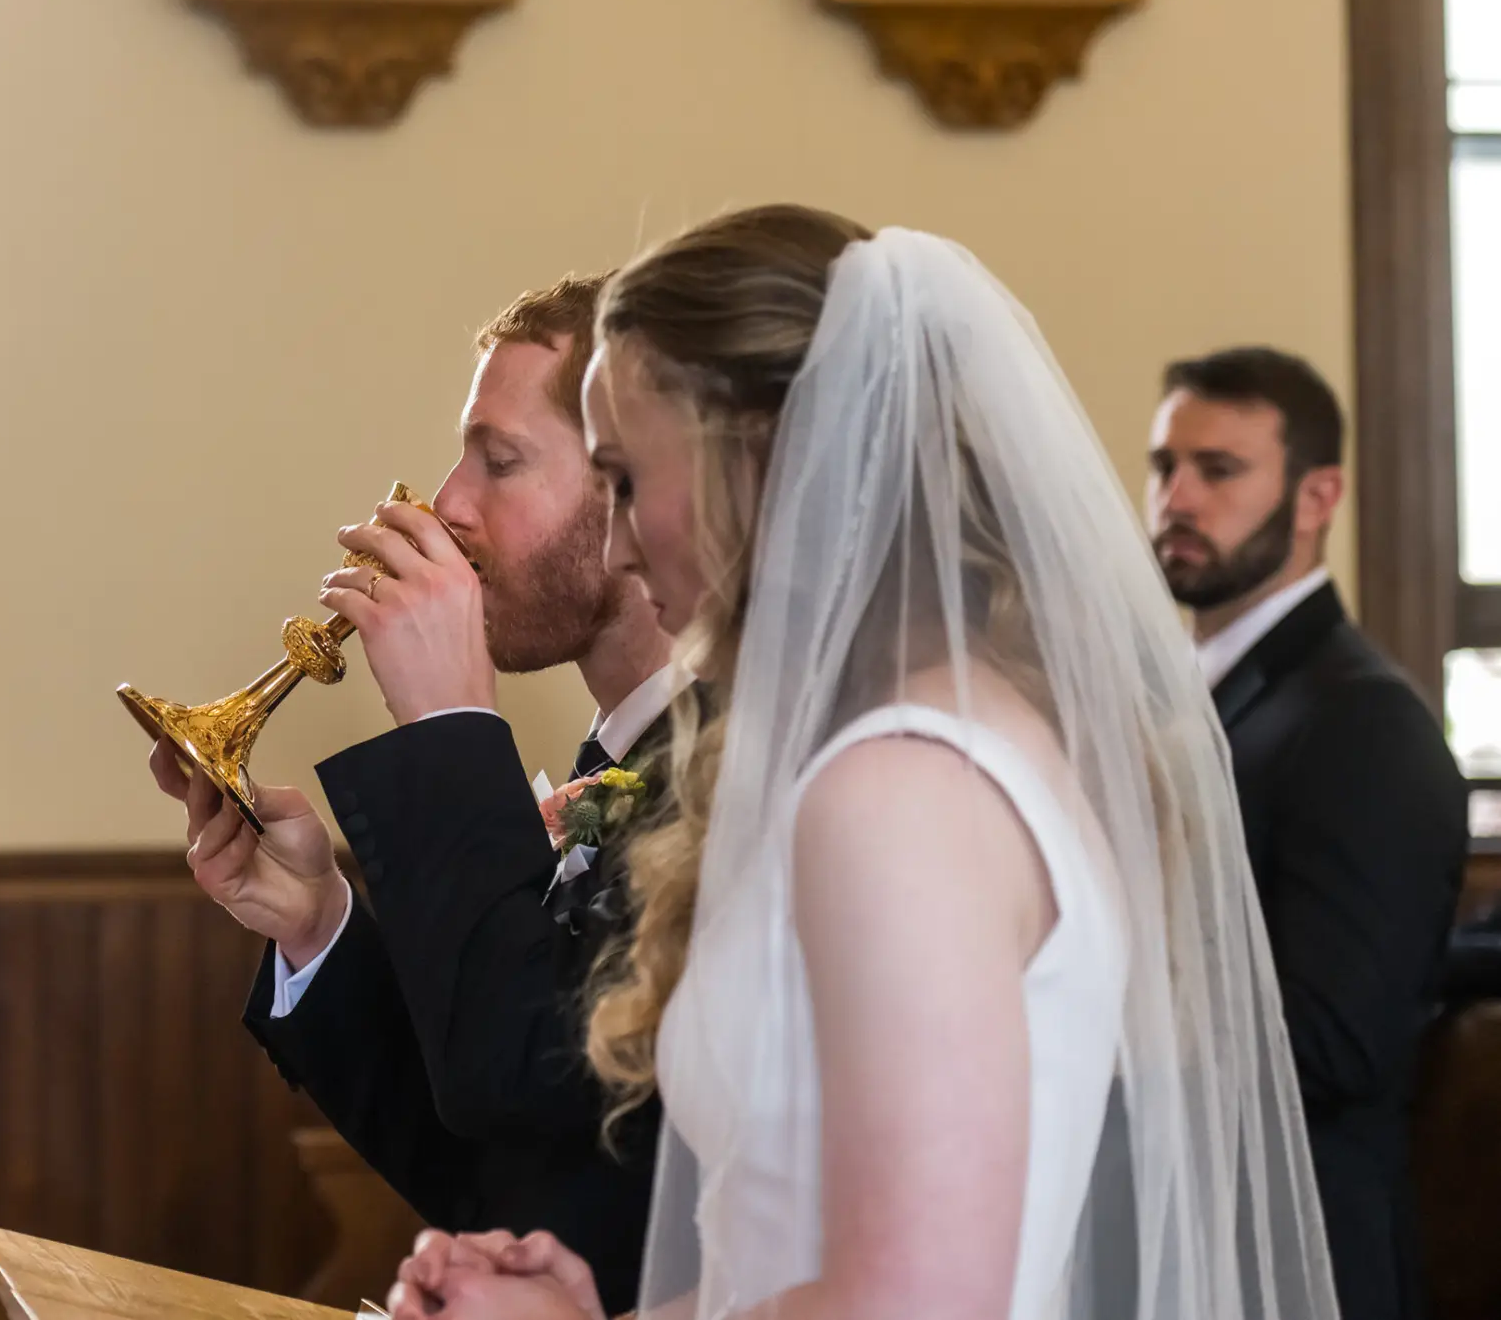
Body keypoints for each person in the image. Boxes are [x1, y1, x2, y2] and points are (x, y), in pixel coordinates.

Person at [386, 207, 1339, 1320]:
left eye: (627, 477)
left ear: (758, 458)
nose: (620, 533)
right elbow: (827, 1255)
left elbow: (916, 1304)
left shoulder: (898, 788)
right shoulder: (946, 738)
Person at [150, 277, 682, 1314]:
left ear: (632, 485)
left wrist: (450, 725)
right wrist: (320, 928)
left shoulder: (736, 779)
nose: (448, 502)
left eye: (501, 458)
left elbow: (517, 1085)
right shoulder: (616, 760)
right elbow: (509, 1155)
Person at [1148, 348, 1467, 1320]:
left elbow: (1330, 1043)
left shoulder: (1361, 720)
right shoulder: (1200, 692)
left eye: (1220, 469)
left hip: (1300, 1250)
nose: (1178, 499)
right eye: (1165, 466)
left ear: (1318, 493)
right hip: (1192, 1224)